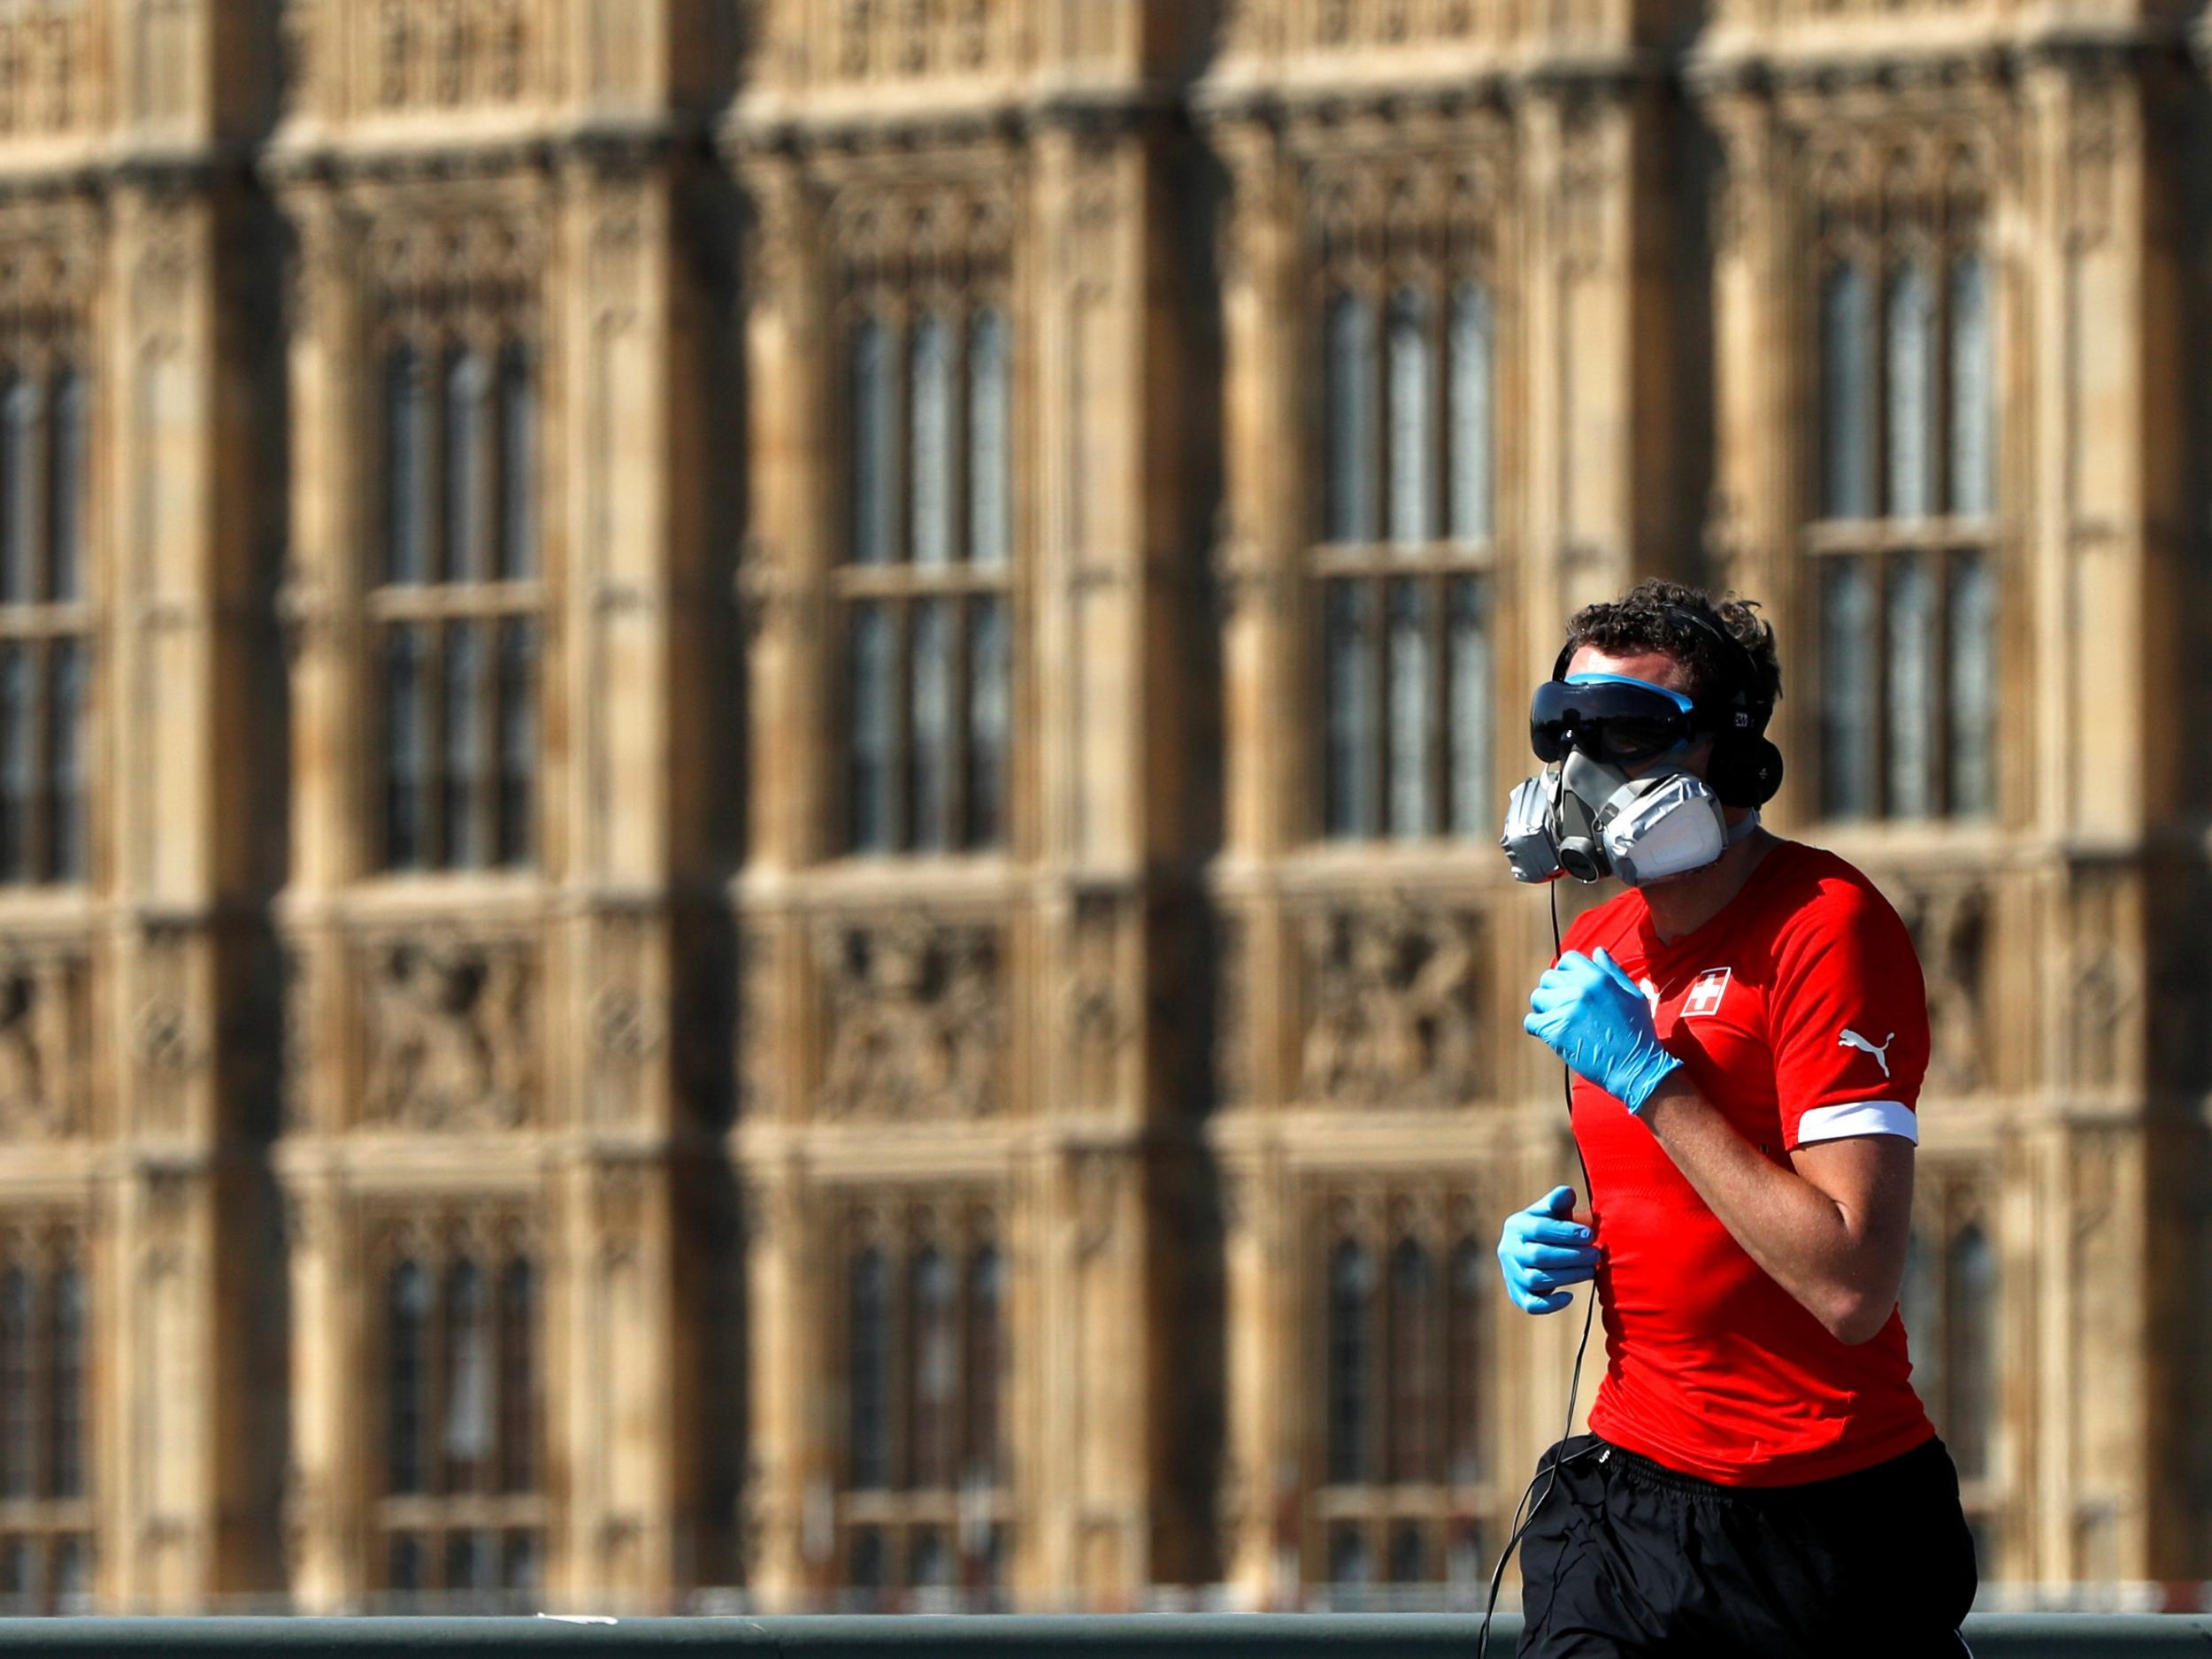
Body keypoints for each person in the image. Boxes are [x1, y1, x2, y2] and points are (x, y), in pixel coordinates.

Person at [1494, 580, 1977, 1657]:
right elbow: (1678, 1195)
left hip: (1824, 1520)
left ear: (1736, 756)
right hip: (1632, 1501)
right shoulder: (1598, 946)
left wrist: (1655, 1083)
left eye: (1623, 734)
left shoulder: (1825, 928)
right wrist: (1560, 1241)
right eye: (1561, 732)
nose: (1579, 772)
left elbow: (1850, 1285)